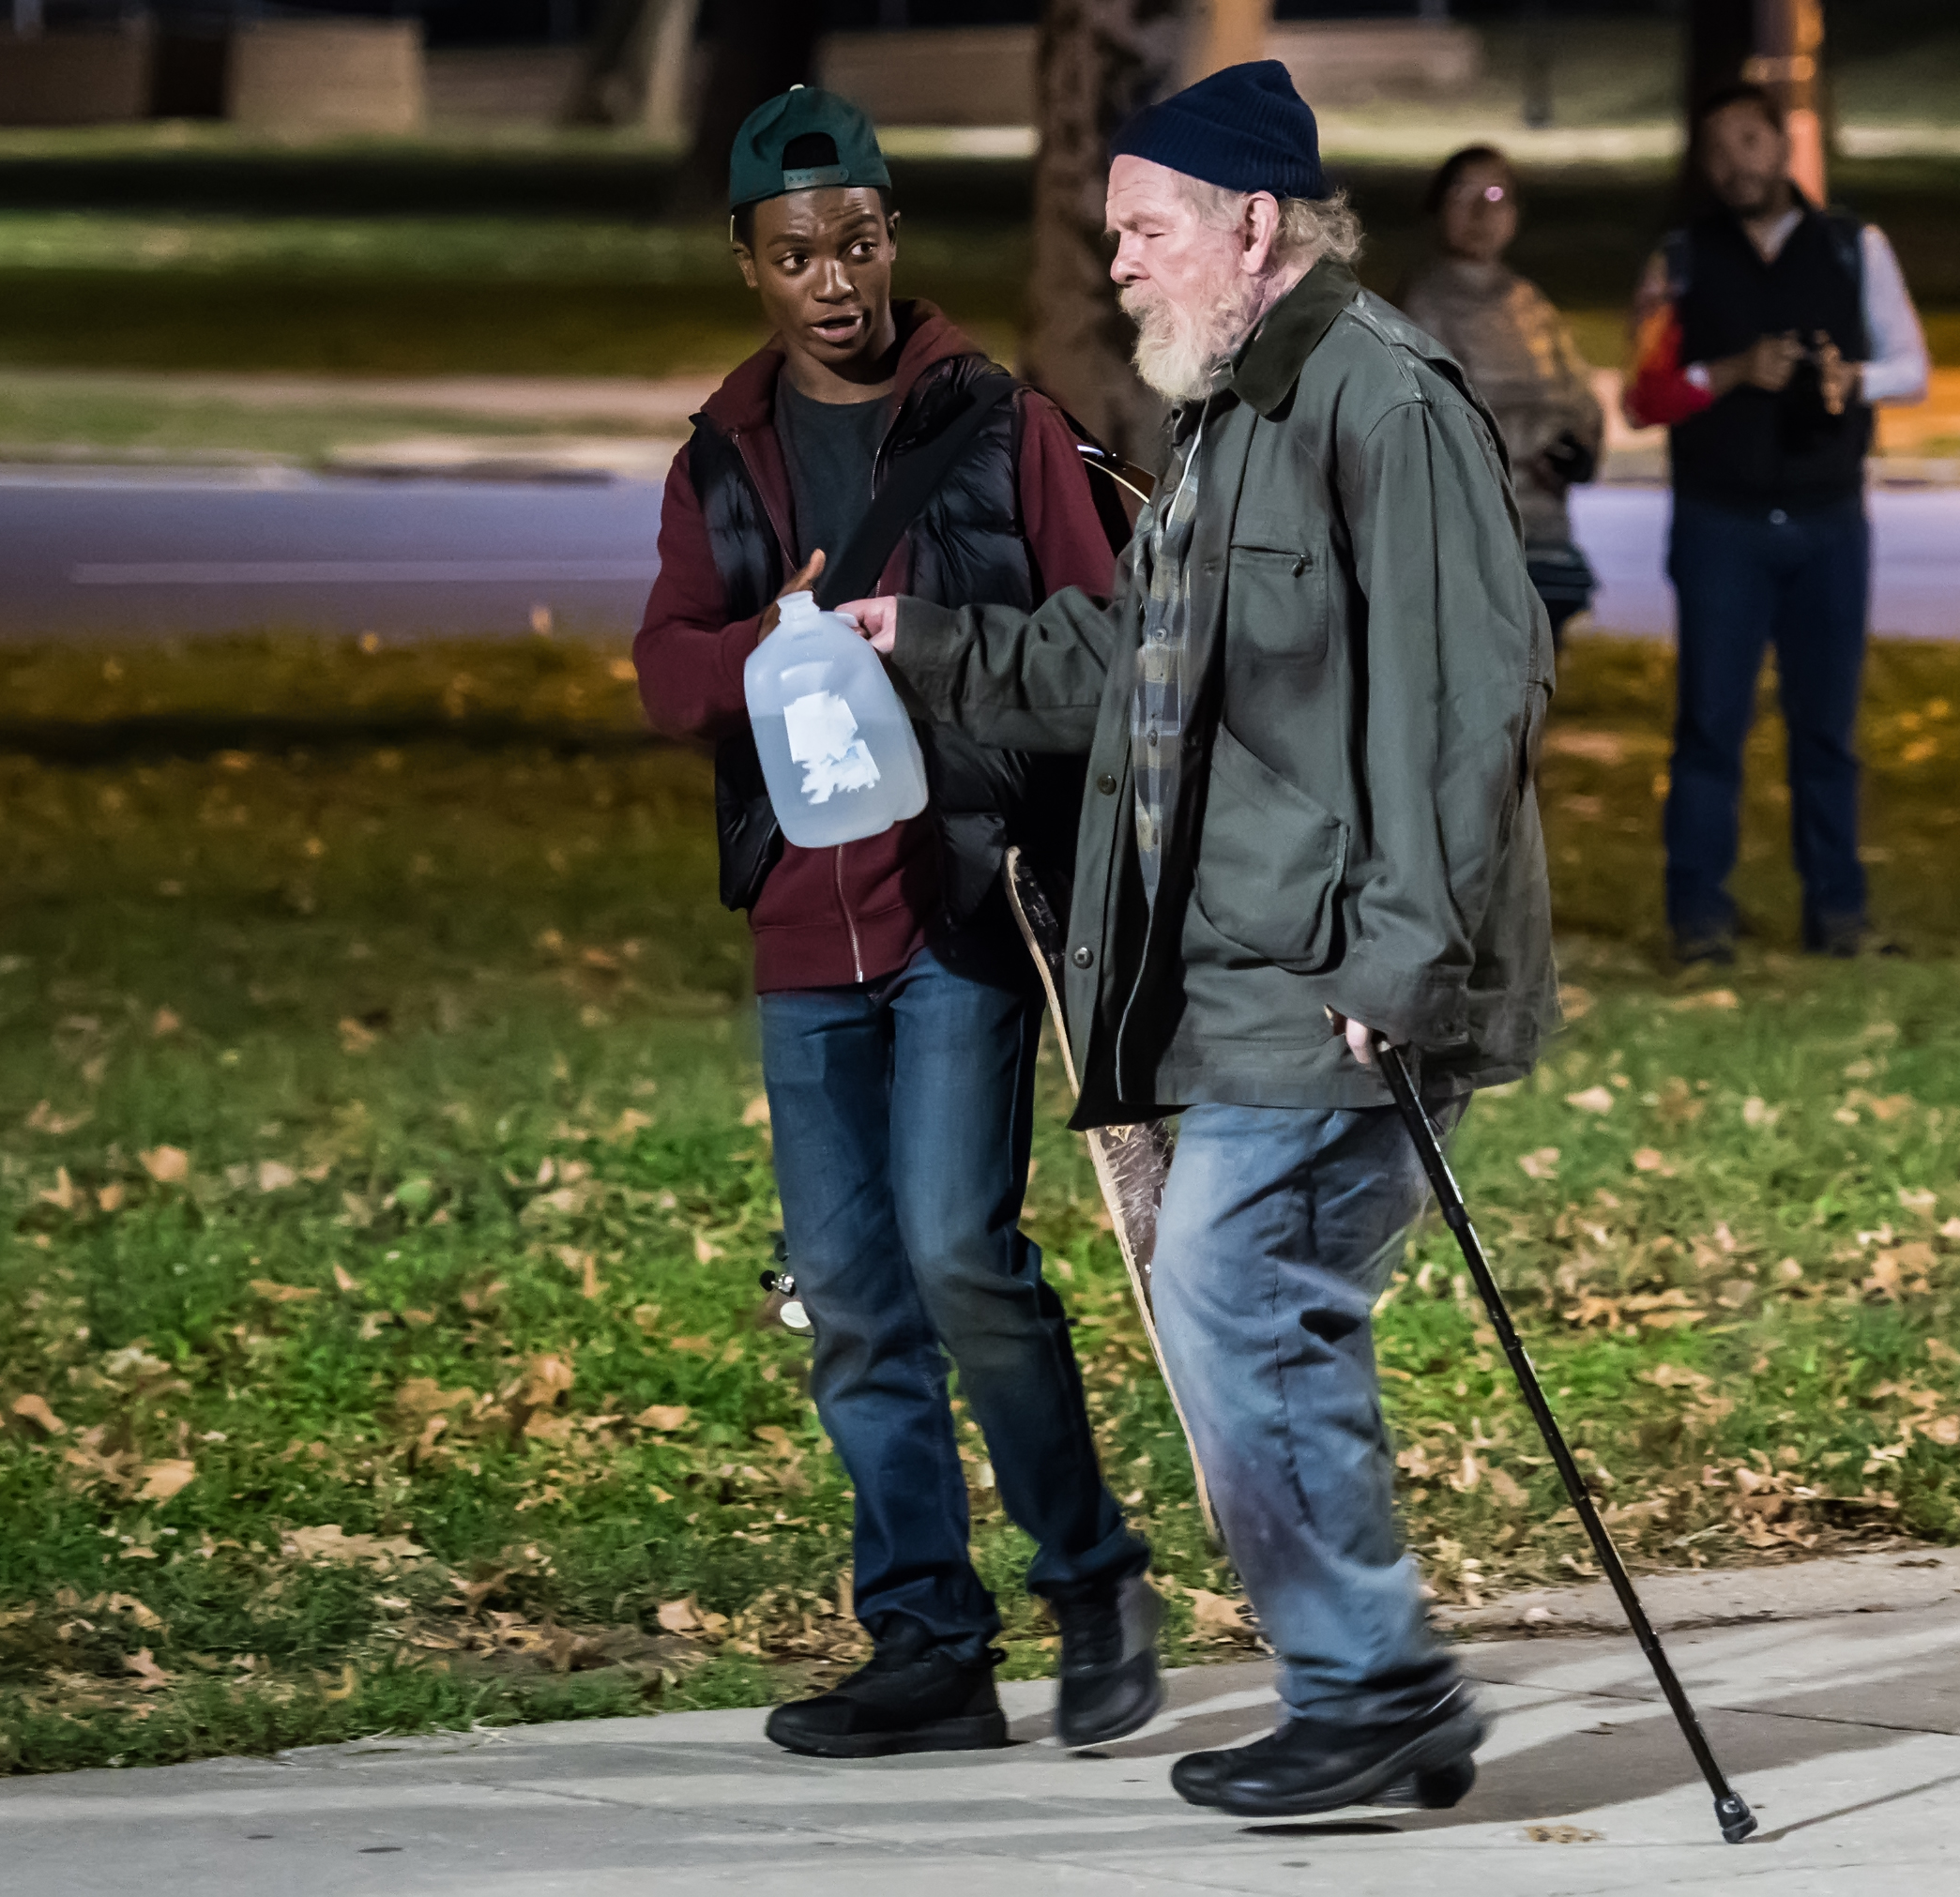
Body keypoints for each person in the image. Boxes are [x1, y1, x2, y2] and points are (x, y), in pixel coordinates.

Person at [844, 61, 1557, 1817]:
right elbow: (1131, 672)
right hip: (1245, 964)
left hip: (1340, 978)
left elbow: (1481, 695)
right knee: (1258, 1308)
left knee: (1241, 1289)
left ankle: (1374, 1682)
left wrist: (1400, 967)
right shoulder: (1234, 405)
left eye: (1144, 229)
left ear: (1253, 224)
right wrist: (927, 643)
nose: (1121, 265)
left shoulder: (1376, 399)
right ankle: (1374, 1685)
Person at [631, 84, 1161, 1761]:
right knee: (853, 1297)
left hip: (958, 906)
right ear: (750, 267)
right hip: (803, 923)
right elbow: (665, 671)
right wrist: (772, 646)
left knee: (957, 1252)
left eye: (857, 241)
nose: (834, 280)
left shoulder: (998, 425)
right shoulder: (724, 453)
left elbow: (1102, 639)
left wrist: (930, 643)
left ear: (892, 239)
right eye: (798, 255)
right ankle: (928, 1645)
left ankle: (1095, 1581)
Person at [1622, 81, 1931, 965]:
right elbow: (1644, 396)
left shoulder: (1849, 247)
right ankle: (1699, 918)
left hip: (1831, 519)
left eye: (1748, 143)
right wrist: (1734, 371)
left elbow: (1910, 365)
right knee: (1711, 725)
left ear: (1783, 146)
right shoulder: (1680, 260)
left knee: (1827, 730)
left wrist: (1851, 382)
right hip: (1723, 522)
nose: (1734, 166)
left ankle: (1839, 913)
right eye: (1716, 151)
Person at [1398, 145, 1608, 650]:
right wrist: (1544, 434)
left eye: (1495, 195)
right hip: (1467, 548)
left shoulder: (1529, 305)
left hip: (1543, 538)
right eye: (1463, 194)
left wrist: (1581, 449)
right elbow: (1441, 422)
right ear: (1436, 207)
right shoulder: (1418, 310)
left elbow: (1583, 405)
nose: (1481, 212)